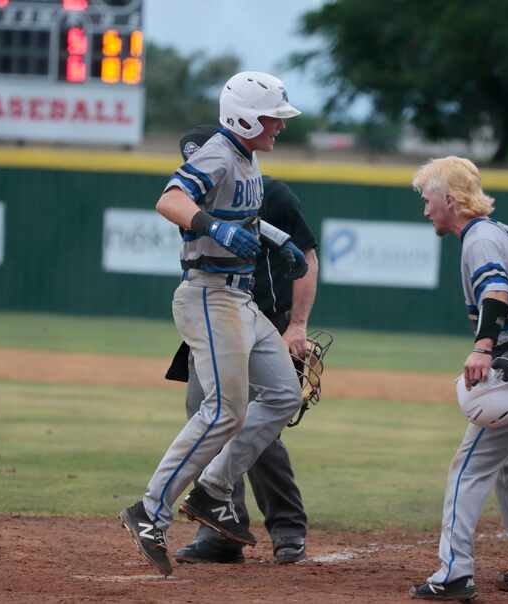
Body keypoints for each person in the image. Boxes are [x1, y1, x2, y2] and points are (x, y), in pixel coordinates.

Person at [118, 71, 304, 577]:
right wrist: (212, 225)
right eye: (272, 118)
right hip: (209, 295)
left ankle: (214, 489)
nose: (279, 127)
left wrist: (272, 235)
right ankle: (148, 513)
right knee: (223, 410)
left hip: (240, 299)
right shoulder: (220, 153)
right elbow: (171, 200)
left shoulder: (247, 157)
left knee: (285, 395)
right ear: (243, 117)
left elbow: (238, 214)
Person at [408, 156, 508, 602]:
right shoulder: (507, 233)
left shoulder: (478, 240)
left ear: (449, 199)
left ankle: (454, 573)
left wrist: (482, 346)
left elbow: (496, 291)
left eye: (428, 200)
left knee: (467, 469)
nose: (426, 211)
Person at [165, 125, 318, 565]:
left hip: (265, 319)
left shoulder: (271, 192)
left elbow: (307, 258)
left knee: (259, 431)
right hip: (215, 320)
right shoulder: (192, 201)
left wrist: (298, 326)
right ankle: (223, 533)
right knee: (206, 418)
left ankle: (288, 527)